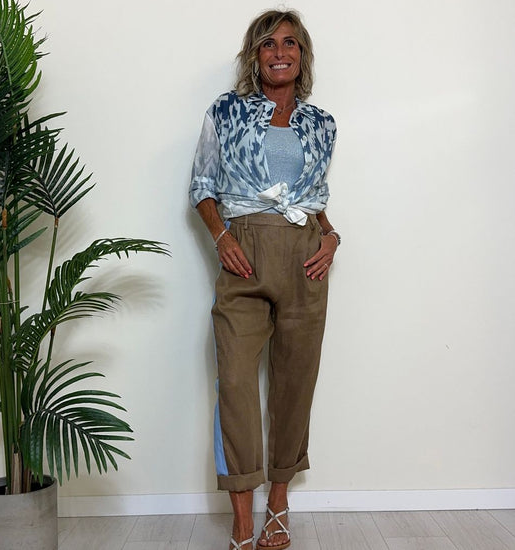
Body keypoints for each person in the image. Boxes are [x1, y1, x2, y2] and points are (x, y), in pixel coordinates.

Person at [189, 9, 339, 550]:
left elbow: (313, 199)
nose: (280, 52)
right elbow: (201, 186)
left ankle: (278, 503)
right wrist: (221, 237)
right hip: (244, 257)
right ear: (255, 56)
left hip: (305, 259)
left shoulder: (322, 124)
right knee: (233, 383)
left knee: (295, 386)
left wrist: (331, 237)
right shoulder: (226, 111)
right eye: (269, 43)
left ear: (303, 55)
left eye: (290, 43)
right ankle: (241, 517)